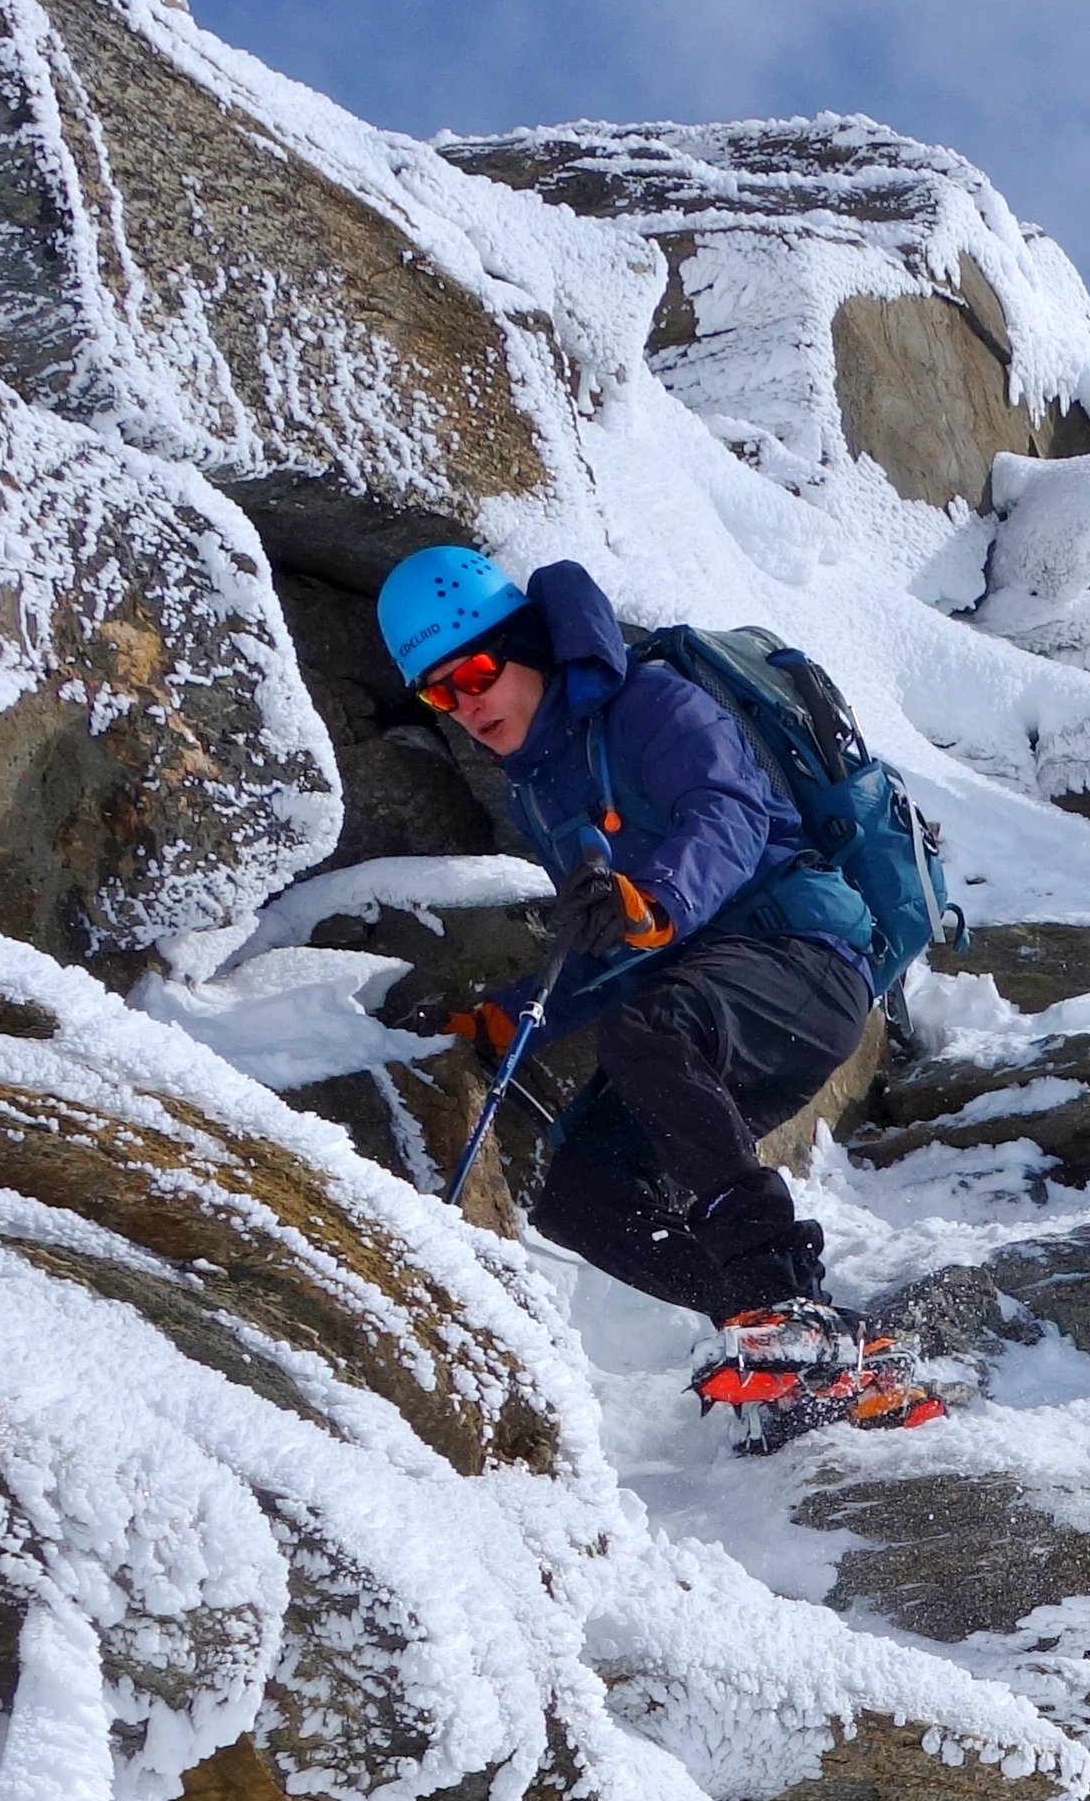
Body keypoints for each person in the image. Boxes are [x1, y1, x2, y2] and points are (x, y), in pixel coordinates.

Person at [374, 543, 944, 1441]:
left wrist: (656, 900)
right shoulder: (540, 787)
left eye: (476, 674)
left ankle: (778, 1295)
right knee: (581, 1195)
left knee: (649, 1031)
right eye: (441, 696)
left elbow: (728, 813)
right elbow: (604, 940)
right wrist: (506, 1018)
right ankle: (813, 1352)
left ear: (528, 646)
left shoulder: (652, 703)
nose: (468, 706)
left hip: (803, 959)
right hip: (707, 1002)